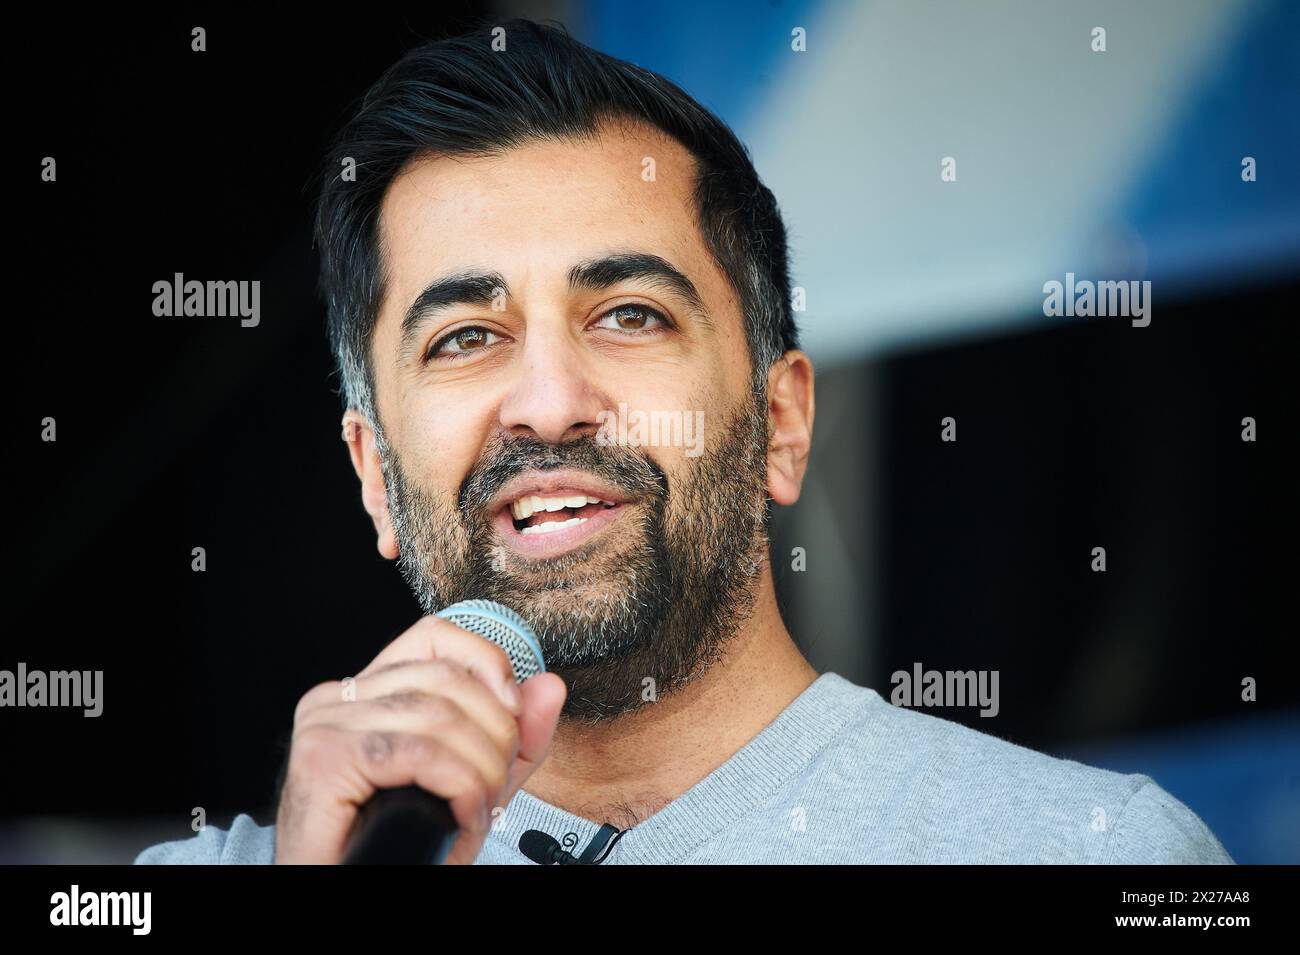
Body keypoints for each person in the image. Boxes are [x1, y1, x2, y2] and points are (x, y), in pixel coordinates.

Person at [136, 19, 1231, 865]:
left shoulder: (1089, 852)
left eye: (628, 315)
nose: (550, 403)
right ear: (374, 476)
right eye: (467, 336)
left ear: (781, 423)